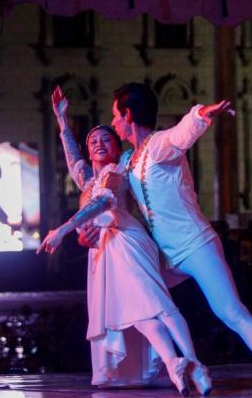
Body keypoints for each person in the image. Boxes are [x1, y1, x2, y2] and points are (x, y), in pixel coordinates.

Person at [78, 83, 252, 396]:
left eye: (115, 116)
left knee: (230, 311)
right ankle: (183, 365)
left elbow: (182, 134)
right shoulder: (128, 160)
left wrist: (202, 114)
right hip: (164, 255)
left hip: (195, 245)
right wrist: (91, 231)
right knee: (137, 295)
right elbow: (105, 193)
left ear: (128, 115)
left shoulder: (159, 145)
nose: (112, 123)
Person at [37, 86, 209, 395]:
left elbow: (104, 201)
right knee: (135, 313)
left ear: (117, 148)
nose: (99, 144)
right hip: (104, 255)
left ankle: (190, 365)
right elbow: (73, 158)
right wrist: (62, 120)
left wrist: (63, 230)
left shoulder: (117, 171)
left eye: (106, 139)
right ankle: (168, 364)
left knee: (156, 306)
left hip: (126, 241)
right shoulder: (87, 179)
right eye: (93, 141)